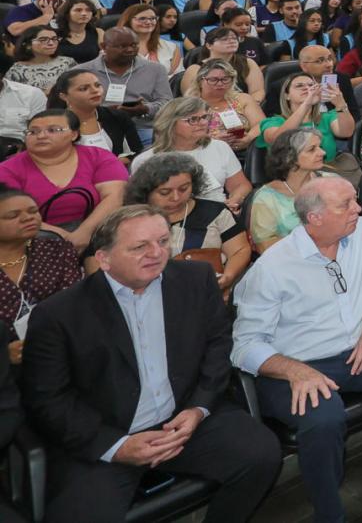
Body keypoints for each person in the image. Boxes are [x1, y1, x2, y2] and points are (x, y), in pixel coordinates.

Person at [20, 205, 282, 523]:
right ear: (103, 258)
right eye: (139, 246)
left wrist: (199, 408)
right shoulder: (59, 315)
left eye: (162, 240)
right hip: (108, 434)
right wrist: (116, 446)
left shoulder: (196, 280)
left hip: (183, 422)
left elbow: (217, 346)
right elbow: (48, 399)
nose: (156, 253)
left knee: (262, 454)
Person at [230, 177, 362, 523]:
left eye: (355, 200)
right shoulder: (273, 267)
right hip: (295, 366)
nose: (358, 209)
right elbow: (244, 346)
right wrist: (296, 371)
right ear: (314, 218)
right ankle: (329, 515)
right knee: (325, 417)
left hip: (359, 346)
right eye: (345, 204)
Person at [0, 109, 128, 253]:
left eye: (53, 130)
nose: (41, 136)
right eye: (33, 132)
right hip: (33, 234)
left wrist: (83, 234)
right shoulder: (7, 169)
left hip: (97, 229)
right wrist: (63, 237)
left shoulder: (99, 157)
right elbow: (11, 214)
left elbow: (114, 197)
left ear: (74, 134)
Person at [126, 153, 251, 296]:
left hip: (209, 292)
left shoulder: (216, 212)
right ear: (146, 191)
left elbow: (239, 250)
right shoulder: (131, 221)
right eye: (164, 192)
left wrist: (227, 278)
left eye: (184, 189)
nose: (176, 197)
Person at [0, 186, 82, 365]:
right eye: (13, 215)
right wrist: (3, 354)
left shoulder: (57, 250)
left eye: (33, 211)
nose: (28, 218)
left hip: (57, 351)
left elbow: (73, 303)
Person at [130, 97, 251, 210]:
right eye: (192, 119)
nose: (203, 123)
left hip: (217, 212)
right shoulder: (147, 160)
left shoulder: (219, 147)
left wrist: (234, 200)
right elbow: (139, 203)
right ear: (170, 124)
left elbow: (240, 185)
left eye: (204, 117)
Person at [258, 71, 358, 182]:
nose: (307, 88)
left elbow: (347, 132)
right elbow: (278, 139)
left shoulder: (326, 117)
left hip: (330, 176)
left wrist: (340, 104)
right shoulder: (273, 121)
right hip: (293, 179)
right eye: (299, 86)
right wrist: (306, 104)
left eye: (311, 85)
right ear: (287, 95)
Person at [248, 128, 333, 251]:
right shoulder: (267, 198)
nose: (323, 153)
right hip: (289, 262)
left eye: (319, 147)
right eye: (312, 149)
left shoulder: (332, 183)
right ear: (289, 157)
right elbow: (266, 246)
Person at [46, 68, 143, 161]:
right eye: (84, 89)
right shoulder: (54, 123)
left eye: (97, 85)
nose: (95, 91)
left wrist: (111, 165)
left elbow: (137, 152)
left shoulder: (117, 116)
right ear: (64, 96)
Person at [188, 60, 265, 154]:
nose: (220, 84)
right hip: (204, 153)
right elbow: (184, 135)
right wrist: (211, 140)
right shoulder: (189, 105)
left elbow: (261, 125)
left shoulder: (243, 99)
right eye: (213, 80)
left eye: (225, 79)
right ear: (200, 81)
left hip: (246, 153)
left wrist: (248, 138)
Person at [7, 27, 72, 94]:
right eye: (43, 40)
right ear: (28, 44)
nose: (51, 43)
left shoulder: (67, 62)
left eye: (54, 39)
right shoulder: (17, 70)